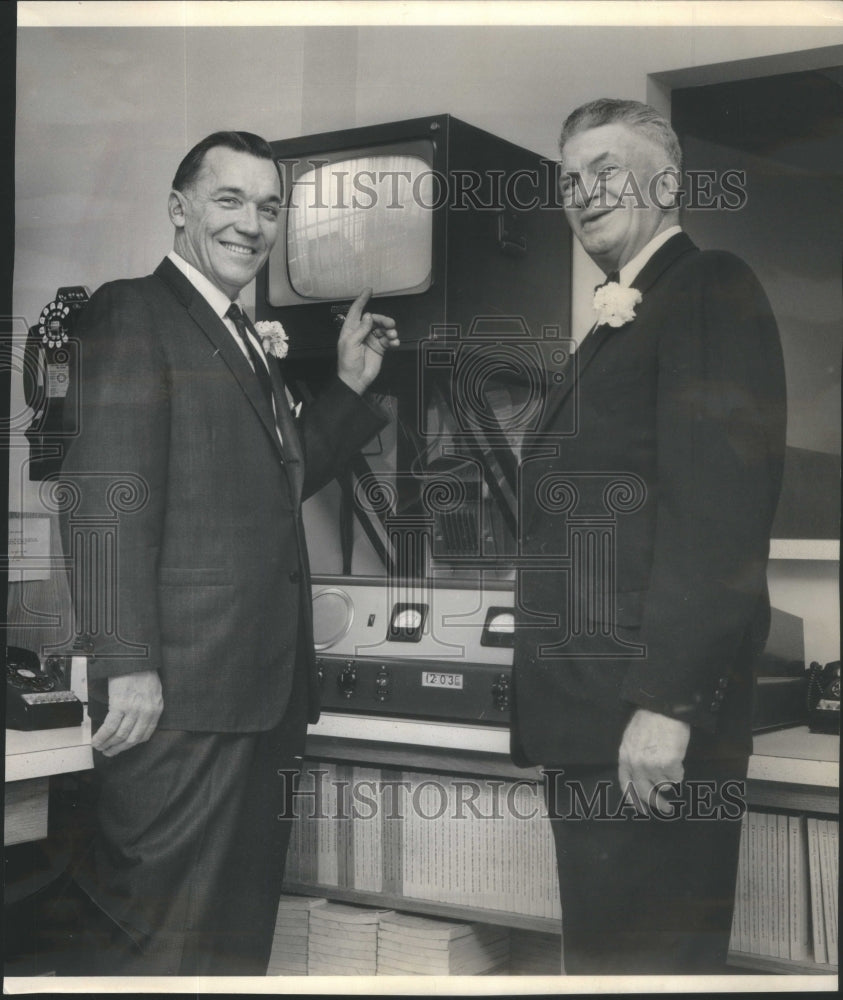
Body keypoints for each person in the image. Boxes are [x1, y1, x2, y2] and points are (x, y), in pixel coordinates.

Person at [58, 130, 398, 975]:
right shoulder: (133, 311)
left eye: (269, 208)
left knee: (234, 949)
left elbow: (269, 490)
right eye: (229, 200)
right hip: (176, 700)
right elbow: (102, 497)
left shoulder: (243, 339)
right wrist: (125, 659)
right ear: (179, 210)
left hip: (258, 697)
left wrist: (348, 391)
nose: (252, 224)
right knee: (162, 949)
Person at [511, 99, 786, 974]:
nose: (582, 193)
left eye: (604, 169)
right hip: (596, 721)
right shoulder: (625, 314)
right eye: (568, 181)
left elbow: (720, 517)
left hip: (646, 722)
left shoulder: (709, 287)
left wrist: (666, 707)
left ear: (667, 183)